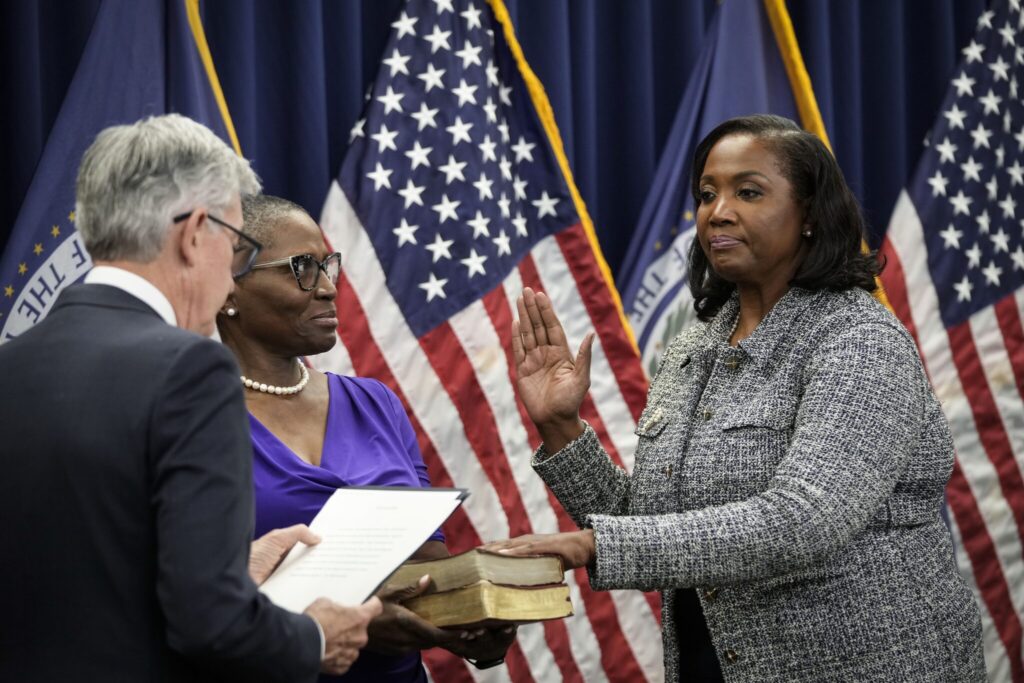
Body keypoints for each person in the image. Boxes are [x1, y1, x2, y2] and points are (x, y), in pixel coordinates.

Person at [486, 115, 986, 681]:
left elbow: (807, 520)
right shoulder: (692, 348)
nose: (717, 211)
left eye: (748, 192)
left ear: (811, 217)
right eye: (706, 194)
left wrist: (589, 547)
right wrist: (560, 427)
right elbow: (650, 526)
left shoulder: (858, 339)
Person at [0, 114, 381, 683]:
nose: (232, 279)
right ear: (193, 233)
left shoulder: (12, 362)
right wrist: (316, 636)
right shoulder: (191, 369)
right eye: (236, 247)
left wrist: (231, 572)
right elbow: (212, 626)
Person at [215, 194, 517, 681]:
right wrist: (346, 619)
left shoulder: (374, 403)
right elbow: (186, 604)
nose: (329, 288)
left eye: (327, 266)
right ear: (228, 288)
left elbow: (428, 568)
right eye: (301, 267)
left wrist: (472, 622)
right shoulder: (193, 420)